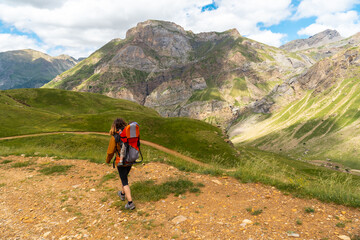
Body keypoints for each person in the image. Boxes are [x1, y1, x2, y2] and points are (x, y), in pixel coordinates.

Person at [106, 118, 135, 210]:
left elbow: (110, 152)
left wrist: (108, 161)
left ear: (114, 126)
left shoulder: (115, 137)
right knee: (124, 177)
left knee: (124, 181)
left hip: (121, 161)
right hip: (131, 160)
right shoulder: (129, 134)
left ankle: (130, 203)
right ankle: (122, 194)